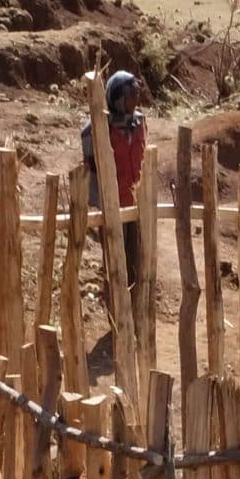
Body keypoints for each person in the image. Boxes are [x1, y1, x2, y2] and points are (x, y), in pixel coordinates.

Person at [80, 70, 147, 324]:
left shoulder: (139, 122)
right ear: (117, 98)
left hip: (137, 203)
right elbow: (90, 170)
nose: (135, 100)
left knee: (137, 261)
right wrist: (96, 205)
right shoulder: (98, 130)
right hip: (111, 205)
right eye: (131, 94)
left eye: (137, 94)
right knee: (116, 265)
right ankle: (117, 320)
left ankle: (135, 317)